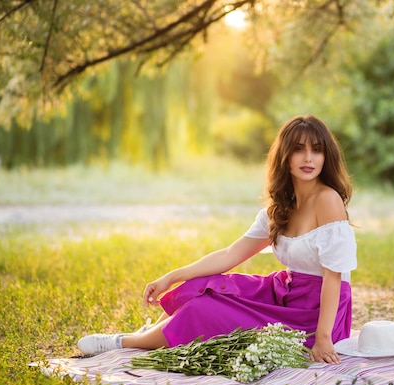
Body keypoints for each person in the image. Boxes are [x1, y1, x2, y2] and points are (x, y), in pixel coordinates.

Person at [77, 114, 357, 364]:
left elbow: (334, 277)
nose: (308, 158)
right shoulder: (280, 208)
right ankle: (151, 334)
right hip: (285, 292)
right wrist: (171, 277)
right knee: (203, 285)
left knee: (204, 310)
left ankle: (123, 342)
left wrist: (322, 338)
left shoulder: (328, 201)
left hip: (318, 313)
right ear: (285, 156)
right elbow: (229, 255)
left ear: (326, 157)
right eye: (299, 150)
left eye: (316, 151)